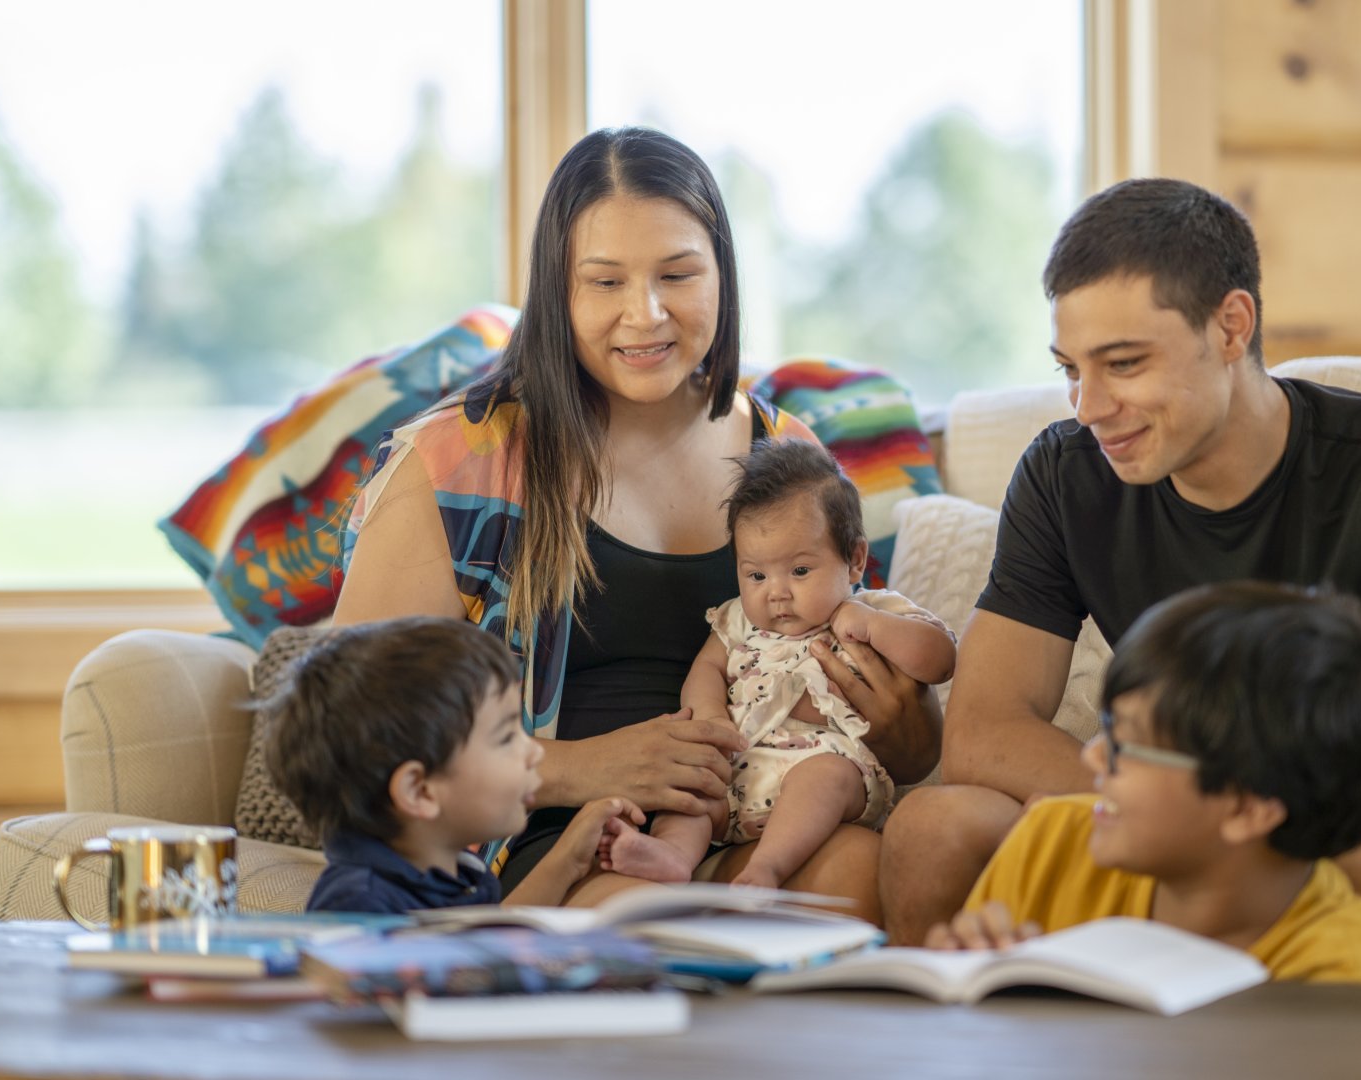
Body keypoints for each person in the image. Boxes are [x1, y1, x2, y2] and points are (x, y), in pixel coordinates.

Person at [880, 177, 1361, 981]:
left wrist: (1214, 809)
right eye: (1069, 369)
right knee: (934, 824)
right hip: (1161, 807)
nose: (1088, 406)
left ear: (1231, 326)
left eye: (1122, 364)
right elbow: (984, 734)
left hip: (1341, 815)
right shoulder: (1063, 473)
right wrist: (1163, 812)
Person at [331, 127, 940, 922]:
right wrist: (576, 768)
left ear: (723, 274)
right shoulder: (460, 462)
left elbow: (898, 713)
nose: (644, 314)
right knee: (648, 920)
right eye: (605, 281)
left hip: (759, 805)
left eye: (678, 274)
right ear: (559, 291)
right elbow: (351, 734)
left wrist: (904, 726)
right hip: (556, 836)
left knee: (857, 872)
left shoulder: (788, 455)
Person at [926, 583, 1361, 986]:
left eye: (1124, 745)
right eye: (1106, 730)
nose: (1092, 756)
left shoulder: (1340, 982)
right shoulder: (1049, 841)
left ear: (1247, 807)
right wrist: (972, 993)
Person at [604, 439, 956, 889]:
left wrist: (871, 625)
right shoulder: (736, 619)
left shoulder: (873, 609)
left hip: (826, 763)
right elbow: (707, 670)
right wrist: (710, 717)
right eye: (756, 575)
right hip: (739, 768)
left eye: (800, 571)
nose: (776, 592)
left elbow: (940, 660)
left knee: (825, 779)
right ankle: (671, 856)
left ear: (854, 561)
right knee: (691, 792)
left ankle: (766, 868)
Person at [263, 617, 642, 913]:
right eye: (506, 738)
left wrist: (569, 859)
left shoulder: (458, 870)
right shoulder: (359, 902)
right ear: (420, 791)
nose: (535, 753)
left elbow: (484, 940)